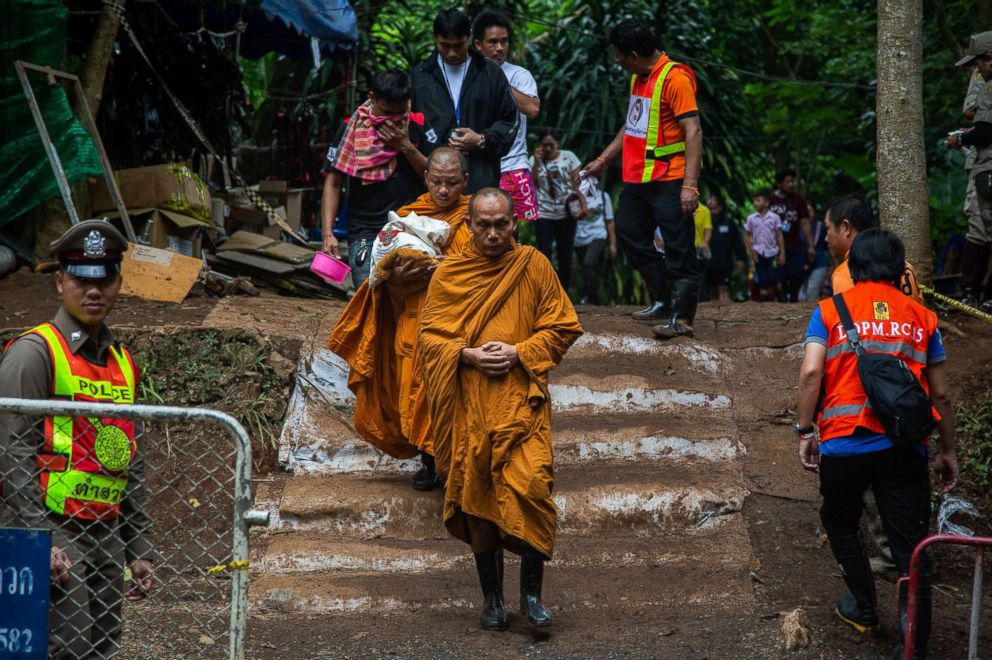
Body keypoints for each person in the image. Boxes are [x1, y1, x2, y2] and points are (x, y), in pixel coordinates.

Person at [418, 188, 582, 631]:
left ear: (515, 223)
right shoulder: (449, 274)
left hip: (520, 403)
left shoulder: (533, 265)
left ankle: (532, 596)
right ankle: (492, 599)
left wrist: (519, 350)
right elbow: (428, 340)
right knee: (476, 499)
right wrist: (467, 355)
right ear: (468, 226)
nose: (492, 234)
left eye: (501, 224)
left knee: (531, 486)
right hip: (468, 405)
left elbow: (563, 325)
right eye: (483, 225)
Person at [795, 229, 957, 660]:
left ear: (856, 266)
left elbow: (811, 374)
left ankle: (864, 607)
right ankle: (915, 635)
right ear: (898, 267)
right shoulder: (922, 317)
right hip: (903, 447)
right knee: (910, 543)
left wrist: (805, 431)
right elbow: (940, 394)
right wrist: (947, 450)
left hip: (844, 445)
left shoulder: (829, 310)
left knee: (842, 522)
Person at [0, 220, 154, 658]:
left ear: (119, 283)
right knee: (65, 645)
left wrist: (138, 546)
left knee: (103, 646)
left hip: (106, 529)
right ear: (60, 281)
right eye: (82, 279)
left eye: (104, 279)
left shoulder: (122, 362)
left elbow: (131, 460)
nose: (94, 291)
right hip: (53, 526)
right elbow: (11, 453)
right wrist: (39, 541)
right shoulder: (35, 352)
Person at [326, 148, 472, 491]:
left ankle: (456, 463)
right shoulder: (408, 216)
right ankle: (428, 461)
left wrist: (438, 269)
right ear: (426, 179)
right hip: (413, 320)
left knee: (455, 393)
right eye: (437, 181)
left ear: (465, 181)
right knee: (414, 389)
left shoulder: (475, 217)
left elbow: (483, 267)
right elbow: (385, 266)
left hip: (459, 324)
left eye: (452, 183)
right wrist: (399, 270)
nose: (444, 190)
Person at [582, 19, 702, 338]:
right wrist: (603, 159)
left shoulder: (675, 79)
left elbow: (693, 130)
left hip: (670, 177)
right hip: (639, 177)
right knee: (629, 232)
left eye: (619, 55)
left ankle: (683, 315)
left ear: (634, 55)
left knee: (678, 244)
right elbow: (631, 126)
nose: (616, 60)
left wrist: (690, 185)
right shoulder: (639, 78)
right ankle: (663, 296)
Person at [321, 69, 432, 287]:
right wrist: (327, 234)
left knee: (410, 291)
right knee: (368, 290)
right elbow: (333, 182)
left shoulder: (418, 124)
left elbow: (437, 178)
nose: (392, 120)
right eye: (386, 112)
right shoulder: (349, 128)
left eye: (399, 113)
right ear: (372, 98)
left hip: (411, 225)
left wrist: (405, 146)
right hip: (364, 227)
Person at [410, 9, 519, 193]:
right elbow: (410, 126)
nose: (452, 53)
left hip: (480, 180)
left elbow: (509, 119)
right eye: (444, 45)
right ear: (435, 39)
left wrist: (481, 139)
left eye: (459, 45)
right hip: (433, 187)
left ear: (468, 38)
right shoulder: (420, 76)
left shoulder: (490, 72)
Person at [472, 10, 541, 224]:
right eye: (493, 42)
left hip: (514, 167)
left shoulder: (519, 75)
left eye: (504, 41)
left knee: (517, 232)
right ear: (477, 45)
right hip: (478, 166)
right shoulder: (466, 74)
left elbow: (532, 108)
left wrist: (496, 78)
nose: (500, 48)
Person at [948, 32, 992, 308]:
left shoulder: (988, 89)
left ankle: (971, 293)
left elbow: (985, 129)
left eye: (978, 64)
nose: (976, 70)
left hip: (987, 167)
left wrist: (962, 139)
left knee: (980, 226)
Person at [825, 193, 923, 303]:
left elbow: (846, 318)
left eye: (828, 228)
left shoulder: (844, 274)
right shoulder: (907, 268)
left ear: (845, 227)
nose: (826, 238)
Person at [530, 128, 582, 290]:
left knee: (565, 255)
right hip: (544, 214)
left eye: (551, 145)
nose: (547, 149)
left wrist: (583, 206)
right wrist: (537, 163)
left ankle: (564, 292)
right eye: (544, 145)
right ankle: (547, 291)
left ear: (557, 143)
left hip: (566, 214)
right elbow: (532, 185)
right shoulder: (534, 160)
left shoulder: (569, 157)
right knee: (544, 255)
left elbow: (578, 183)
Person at [769, 168, 814, 303]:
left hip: (795, 245)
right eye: (787, 181)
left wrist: (811, 245)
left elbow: (805, 223)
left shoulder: (798, 200)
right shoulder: (770, 200)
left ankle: (793, 297)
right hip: (774, 247)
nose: (791, 184)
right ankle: (781, 299)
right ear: (779, 184)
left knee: (797, 273)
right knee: (778, 276)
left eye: (792, 181)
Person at [573, 177, 617, 304]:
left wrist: (613, 243)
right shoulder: (574, 198)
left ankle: (593, 299)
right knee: (586, 269)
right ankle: (588, 297)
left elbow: (609, 221)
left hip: (598, 236)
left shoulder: (603, 196)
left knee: (588, 263)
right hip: (579, 239)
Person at [744, 190, 785, 301]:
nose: (756, 203)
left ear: (767, 202)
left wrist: (782, 253)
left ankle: (780, 298)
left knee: (774, 277)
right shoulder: (751, 218)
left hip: (772, 252)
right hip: (758, 252)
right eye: (754, 201)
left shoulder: (774, 217)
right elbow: (747, 235)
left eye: (758, 200)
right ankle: (765, 305)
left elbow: (779, 235)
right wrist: (751, 251)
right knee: (762, 278)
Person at [705, 195, 746, 303]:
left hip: (725, 261)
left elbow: (737, 242)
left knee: (724, 288)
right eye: (709, 208)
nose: (712, 211)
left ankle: (726, 315)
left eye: (714, 208)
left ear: (720, 207)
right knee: (712, 290)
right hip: (709, 261)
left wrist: (740, 258)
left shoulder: (728, 222)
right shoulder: (705, 222)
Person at [799, 205, 829, 301]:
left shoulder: (821, 227)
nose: (808, 214)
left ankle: (813, 315)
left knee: (812, 292)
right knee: (801, 296)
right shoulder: (798, 228)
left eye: (810, 211)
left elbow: (828, 247)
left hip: (820, 263)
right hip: (803, 265)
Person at [694, 201, 712, 300]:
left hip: (699, 248)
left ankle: (702, 299)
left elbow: (708, 229)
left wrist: (705, 243)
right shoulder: (679, 208)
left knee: (700, 276)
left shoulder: (704, 210)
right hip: (685, 248)